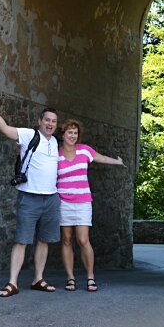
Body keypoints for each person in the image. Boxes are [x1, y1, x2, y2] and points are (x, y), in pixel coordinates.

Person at [0, 95, 60, 297]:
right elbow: (5, 129)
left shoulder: (55, 142)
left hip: (51, 198)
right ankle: (12, 283)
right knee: (22, 240)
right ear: (40, 121)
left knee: (44, 240)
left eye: (54, 121)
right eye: (47, 120)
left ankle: (38, 279)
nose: (50, 124)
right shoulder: (29, 135)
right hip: (29, 196)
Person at [56, 119, 126, 292]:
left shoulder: (84, 150)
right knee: (66, 240)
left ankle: (90, 277)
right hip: (63, 201)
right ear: (63, 134)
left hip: (83, 202)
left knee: (83, 240)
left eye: (75, 133)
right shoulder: (55, 154)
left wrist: (117, 162)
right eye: (69, 132)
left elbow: (100, 157)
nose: (73, 136)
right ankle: (70, 279)